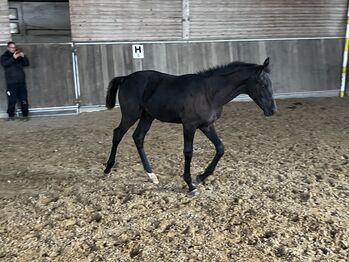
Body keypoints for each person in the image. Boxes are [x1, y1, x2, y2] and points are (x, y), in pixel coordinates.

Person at [1, 41, 30, 120]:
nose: (13, 49)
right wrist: (13, 57)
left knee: (24, 99)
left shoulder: (19, 56)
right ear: (8, 48)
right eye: (11, 47)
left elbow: (26, 64)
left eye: (14, 47)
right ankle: (11, 116)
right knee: (12, 100)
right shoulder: (4, 56)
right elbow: (5, 64)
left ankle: (25, 115)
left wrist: (23, 56)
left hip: (21, 82)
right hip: (11, 83)